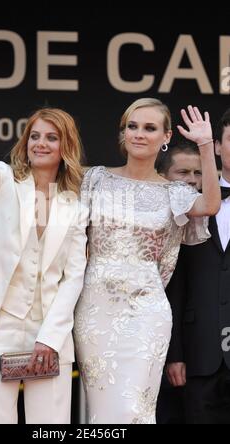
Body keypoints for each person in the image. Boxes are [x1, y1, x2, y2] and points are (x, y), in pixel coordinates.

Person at [0, 54, 88, 424]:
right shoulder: (3, 181)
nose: (41, 143)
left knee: (51, 428)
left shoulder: (78, 203)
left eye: (51, 137)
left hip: (49, 328)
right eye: (35, 136)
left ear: (65, 146)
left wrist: (51, 337)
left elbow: (74, 277)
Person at [74, 98, 220, 424]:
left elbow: (210, 204)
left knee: (134, 410)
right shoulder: (95, 179)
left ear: (165, 137)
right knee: (104, 413)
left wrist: (206, 145)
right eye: (133, 126)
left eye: (150, 128)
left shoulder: (173, 192)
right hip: (95, 312)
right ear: (123, 133)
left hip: (146, 314)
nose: (139, 134)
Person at [166, 108, 230, 424]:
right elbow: (176, 282)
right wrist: (174, 352)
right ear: (217, 146)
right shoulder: (190, 203)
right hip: (199, 354)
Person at [155, 140, 201, 424]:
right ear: (163, 177)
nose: (192, 181)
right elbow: (173, 293)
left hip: (202, 359)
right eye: (183, 172)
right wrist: (175, 354)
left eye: (198, 173)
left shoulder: (203, 220)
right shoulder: (151, 223)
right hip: (157, 352)